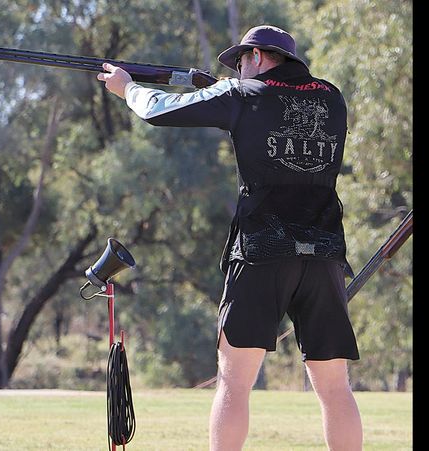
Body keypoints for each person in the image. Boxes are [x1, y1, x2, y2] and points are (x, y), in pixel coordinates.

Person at [97, 25, 362, 450]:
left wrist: (127, 87)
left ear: (255, 57)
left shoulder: (243, 96)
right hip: (325, 251)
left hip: (262, 250)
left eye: (240, 62)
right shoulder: (332, 97)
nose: (238, 70)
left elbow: (159, 109)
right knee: (335, 388)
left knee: (234, 382)